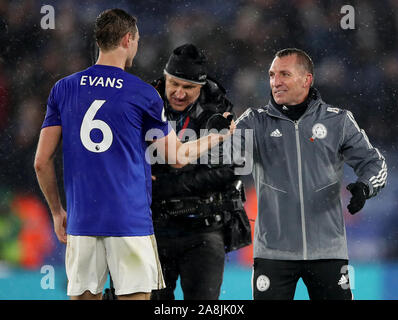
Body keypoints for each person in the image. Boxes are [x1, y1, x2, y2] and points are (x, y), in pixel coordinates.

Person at [33, 9, 234, 301]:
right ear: (128, 39)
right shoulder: (143, 94)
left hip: (82, 221)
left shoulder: (63, 89)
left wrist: (56, 211)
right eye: (137, 40)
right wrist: (216, 136)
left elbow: (41, 162)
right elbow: (176, 157)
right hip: (130, 223)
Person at [232, 48, 387, 300]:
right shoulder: (254, 122)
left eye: (284, 74)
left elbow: (374, 163)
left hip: (328, 253)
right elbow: (223, 158)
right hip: (274, 255)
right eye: (272, 75)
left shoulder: (338, 121)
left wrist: (365, 187)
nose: (275, 81)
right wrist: (228, 179)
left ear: (307, 80)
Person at [150, 44, 251, 300]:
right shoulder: (145, 104)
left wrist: (164, 185)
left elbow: (231, 169)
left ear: (202, 86)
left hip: (203, 231)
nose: (179, 93)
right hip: (153, 229)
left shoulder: (220, 111)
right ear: (164, 78)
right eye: (174, 84)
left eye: (188, 87)